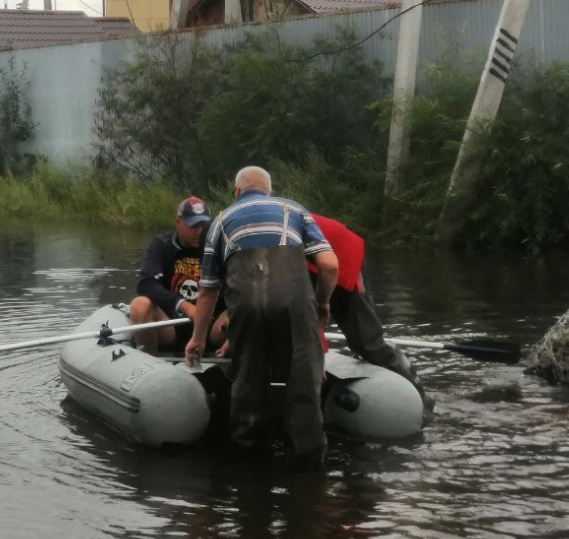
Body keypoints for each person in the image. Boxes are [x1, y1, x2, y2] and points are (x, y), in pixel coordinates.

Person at [185, 166, 337, 464]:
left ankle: (249, 458)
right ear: (270, 190)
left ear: (237, 192)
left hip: (246, 306)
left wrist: (198, 339)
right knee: (304, 377)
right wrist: (322, 303)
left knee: (248, 380)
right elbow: (330, 266)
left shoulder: (220, 222)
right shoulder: (295, 210)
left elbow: (208, 291)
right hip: (296, 304)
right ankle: (308, 462)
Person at [308, 214, 432, 411]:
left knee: (366, 342)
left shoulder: (274, 249)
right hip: (316, 264)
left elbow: (307, 312)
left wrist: (319, 353)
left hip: (342, 258)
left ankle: (422, 401)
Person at [128, 196, 229, 355]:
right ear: (178, 223)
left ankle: (235, 357)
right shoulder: (161, 245)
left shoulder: (220, 247)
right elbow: (146, 283)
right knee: (139, 305)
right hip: (171, 324)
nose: (199, 231)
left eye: (203, 226)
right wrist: (186, 307)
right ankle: (147, 360)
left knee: (242, 308)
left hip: (212, 327)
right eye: (193, 226)